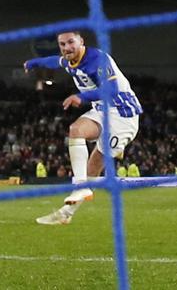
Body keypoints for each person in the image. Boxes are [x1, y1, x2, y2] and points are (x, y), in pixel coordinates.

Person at [25, 31, 142, 225]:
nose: (66, 48)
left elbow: (111, 89)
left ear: (81, 42)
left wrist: (81, 97)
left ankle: (68, 210)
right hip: (101, 110)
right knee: (75, 130)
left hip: (123, 114)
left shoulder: (97, 58)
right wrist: (34, 63)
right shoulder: (70, 60)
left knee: (93, 167)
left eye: (71, 42)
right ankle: (72, 202)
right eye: (62, 44)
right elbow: (56, 61)